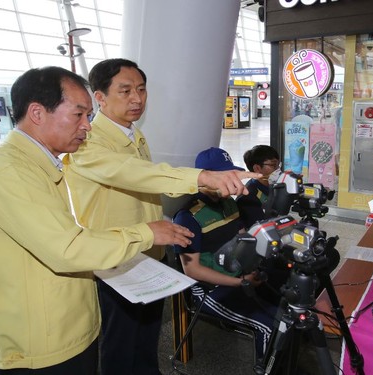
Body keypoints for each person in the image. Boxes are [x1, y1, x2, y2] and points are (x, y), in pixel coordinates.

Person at [0, 66, 195, 374]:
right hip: (42, 345)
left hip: (62, 328)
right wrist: (146, 233)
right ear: (38, 113)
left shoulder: (35, 164)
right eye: (78, 115)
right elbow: (67, 248)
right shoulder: (7, 172)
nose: (88, 126)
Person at [62, 58, 260, 375]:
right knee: (121, 348)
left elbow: (143, 188)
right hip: (115, 262)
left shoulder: (133, 135)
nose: (137, 98)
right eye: (125, 91)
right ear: (99, 97)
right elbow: (135, 174)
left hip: (149, 255)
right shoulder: (87, 141)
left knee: (147, 340)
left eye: (141, 89)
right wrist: (202, 177)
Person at [172, 147, 278, 366]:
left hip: (238, 275)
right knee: (269, 326)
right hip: (208, 289)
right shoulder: (188, 217)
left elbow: (241, 239)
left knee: (285, 306)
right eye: (222, 176)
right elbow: (192, 270)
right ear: (204, 177)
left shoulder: (228, 202)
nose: (229, 181)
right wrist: (240, 283)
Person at [237, 144, 282, 228]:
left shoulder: (275, 187)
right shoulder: (248, 198)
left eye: (278, 165)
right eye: (273, 165)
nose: (278, 170)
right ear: (257, 168)